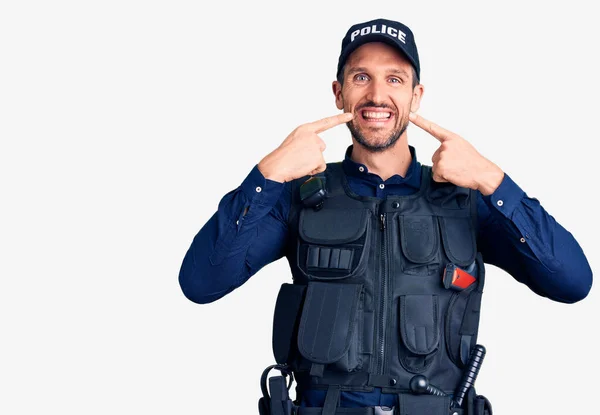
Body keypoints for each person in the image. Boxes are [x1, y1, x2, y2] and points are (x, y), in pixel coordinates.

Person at [178, 18, 592, 414]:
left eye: (394, 79)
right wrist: (265, 176)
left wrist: (492, 180)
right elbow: (200, 282)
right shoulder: (296, 196)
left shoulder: (467, 199)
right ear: (339, 94)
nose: (377, 95)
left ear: (416, 96)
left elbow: (573, 281)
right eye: (362, 78)